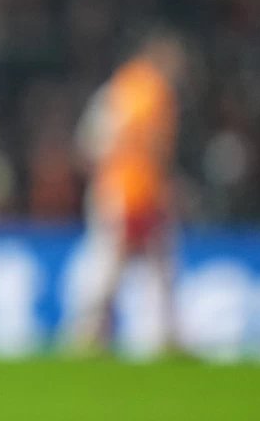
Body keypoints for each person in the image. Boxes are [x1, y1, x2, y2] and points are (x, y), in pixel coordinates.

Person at [68, 30, 184, 354]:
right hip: (128, 191)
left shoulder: (120, 88)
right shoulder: (147, 90)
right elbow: (151, 147)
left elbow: (88, 144)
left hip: (127, 188)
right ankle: (90, 333)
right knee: (112, 263)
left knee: (152, 263)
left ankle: (163, 335)